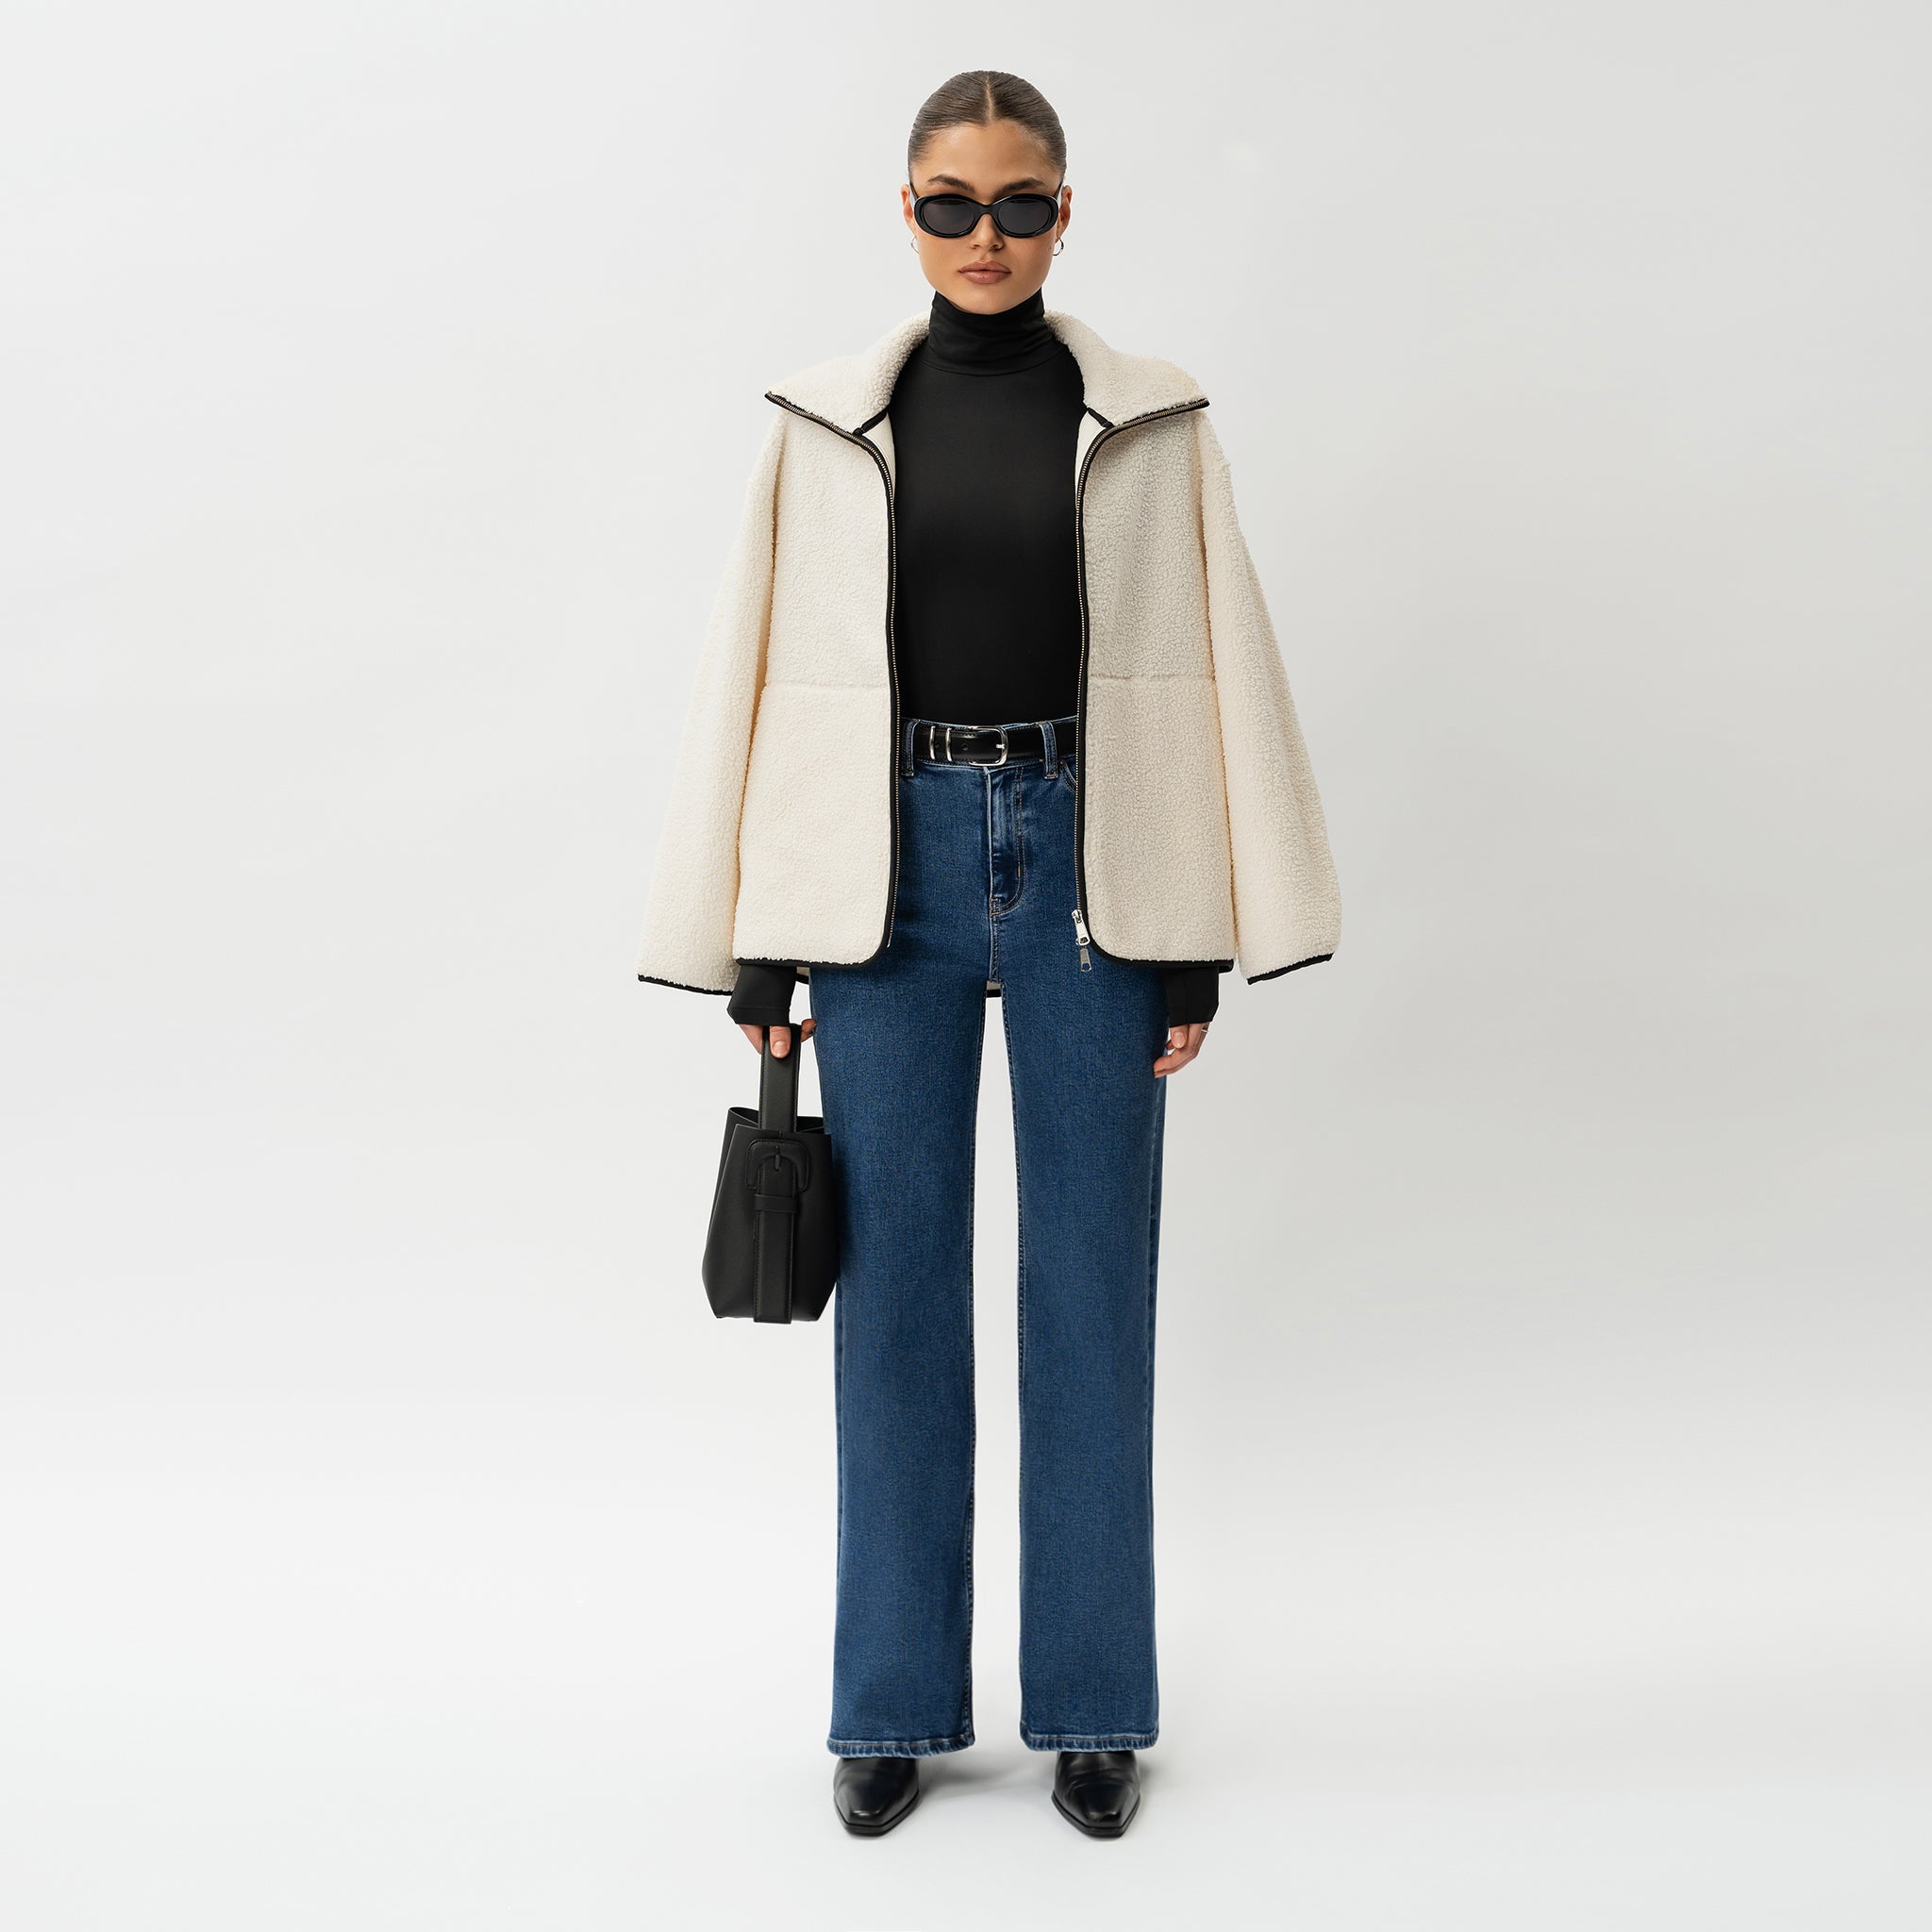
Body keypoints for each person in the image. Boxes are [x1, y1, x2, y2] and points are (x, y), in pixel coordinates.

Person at [635, 70, 1341, 1840]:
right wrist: (757, 943)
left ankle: (1093, 1709)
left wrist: (1194, 939)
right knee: (898, 1303)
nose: (985, 235)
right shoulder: (823, 428)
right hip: (886, 875)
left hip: (1098, 866)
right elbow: (758, 675)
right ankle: (891, 1707)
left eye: (1019, 203)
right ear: (907, 212)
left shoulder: (1153, 422)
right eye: (951, 204)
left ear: (1064, 214)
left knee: (1093, 1291)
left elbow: (1213, 664)